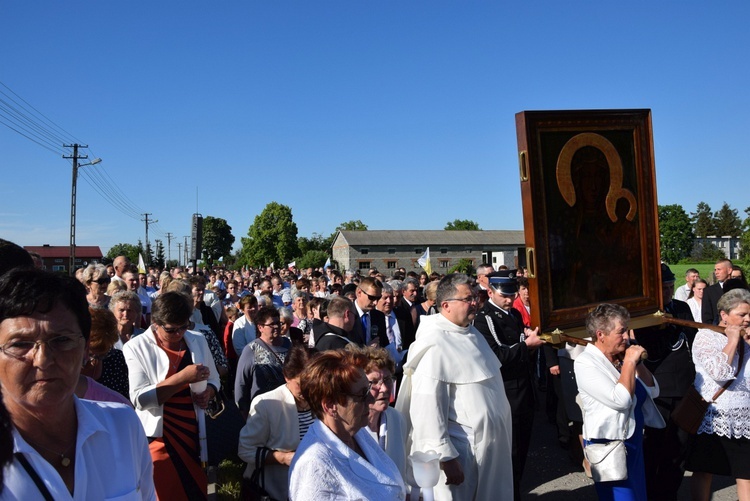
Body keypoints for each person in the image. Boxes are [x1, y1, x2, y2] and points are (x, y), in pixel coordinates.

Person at [0, 268, 154, 499]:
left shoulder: (123, 426)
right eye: (20, 344)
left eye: (61, 340)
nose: (42, 360)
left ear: (85, 350)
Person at [396, 273, 514, 500]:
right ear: (446, 305)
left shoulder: (472, 332)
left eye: (474, 298)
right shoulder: (435, 344)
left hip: (490, 446)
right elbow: (427, 409)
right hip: (463, 453)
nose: (474, 303)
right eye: (467, 299)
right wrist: (445, 457)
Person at [123, 291, 220, 500]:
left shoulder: (197, 340)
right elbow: (140, 399)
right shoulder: (135, 347)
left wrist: (209, 391)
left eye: (184, 327)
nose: (179, 334)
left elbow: (214, 379)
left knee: (195, 490)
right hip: (159, 436)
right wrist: (182, 378)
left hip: (193, 432)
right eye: (171, 329)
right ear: (155, 323)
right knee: (164, 491)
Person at [575, 303, 665, 501]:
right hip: (610, 446)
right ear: (601, 335)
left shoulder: (619, 359)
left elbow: (652, 389)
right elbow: (622, 400)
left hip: (632, 443)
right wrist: (630, 363)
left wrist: (637, 363)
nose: (627, 337)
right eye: (621, 332)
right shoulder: (586, 362)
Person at [288, 350, 406, 500]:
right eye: (362, 394)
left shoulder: (356, 434)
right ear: (330, 406)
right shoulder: (313, 465)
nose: (370, 400)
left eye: (369, 389)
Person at [473, 269, 542, 501]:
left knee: (521, 449)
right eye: (505, 294)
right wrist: (527, 345)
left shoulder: (511, 314)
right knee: (510, 453)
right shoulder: (486, 318)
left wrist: (526, 339)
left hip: (523, 390)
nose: (510, 299)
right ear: (490, 291)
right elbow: (497, 356)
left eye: (512, 294)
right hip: (507, 393)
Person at [634, 263, 697, 499]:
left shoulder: (681, 307)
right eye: (663, 287)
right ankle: (650, 492)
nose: (668, 291)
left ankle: (669, 492)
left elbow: (693, 339)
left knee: (680, 445)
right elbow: (651, 351)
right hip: (658, 387)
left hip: (685, 385)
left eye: (671, 286)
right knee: (655, 446)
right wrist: (663, 326)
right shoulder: (643, 314)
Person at [685, 288, 750, 501]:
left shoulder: (747, 339)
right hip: (713, 416)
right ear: (724, 315)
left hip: (743, 417)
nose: (747, 319)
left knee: (746, 474)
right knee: (705, 470)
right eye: (742, 315)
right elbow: (719, 373)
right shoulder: (705, 337)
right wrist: (732, 341)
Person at [238, 345, 317, 501]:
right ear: (286, 376)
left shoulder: (321, 400)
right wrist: (282, 458)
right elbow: (245, 450)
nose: (309, 390)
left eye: (313, 383)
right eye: (301, 384)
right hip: (275, 493)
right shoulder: (267, 404)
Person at [354, 344, 408, 479]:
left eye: (387, 380)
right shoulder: (351, 427)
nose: (384, 388)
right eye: (374, 382)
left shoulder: (397, 419)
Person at [234, 306, 292, 418]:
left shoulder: (289, 345)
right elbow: (241, 384)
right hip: (263, 412)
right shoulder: (251, 350)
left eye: (278, 323)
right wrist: (245, 414)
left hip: (288, 409)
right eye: (271, 324)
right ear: (260, 327)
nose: (276, 327)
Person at [80, 307, 130, 401]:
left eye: (101, 355)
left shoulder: (116, 360)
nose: (93, 361)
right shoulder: (66, 360)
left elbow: (124, 399)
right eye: (90, 354)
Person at [703, 259, 734, 325]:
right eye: (715, 270)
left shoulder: (739, 289)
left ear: (729, 270)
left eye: (719, 269)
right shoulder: (709, 291)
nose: (716, 272)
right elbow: (706, 317)